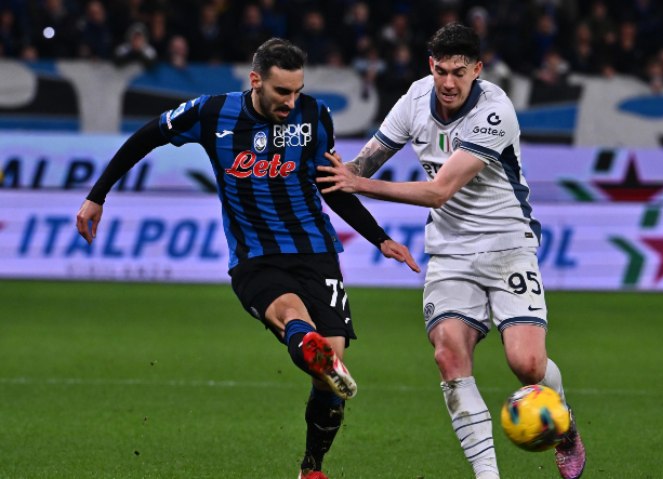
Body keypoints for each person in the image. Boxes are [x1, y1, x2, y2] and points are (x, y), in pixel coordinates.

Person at [75, 38, 419, 479]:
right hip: (255, 256)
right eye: (282, 92)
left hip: (316, 252)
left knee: (331, 367)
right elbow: (146, 137)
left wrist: (379, 238)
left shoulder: (315, 116)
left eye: (297, 91)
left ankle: (312, 465)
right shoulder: (211, 112)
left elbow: (331, 184)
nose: (291, 102)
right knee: (294, 319)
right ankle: (303, 342)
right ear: (255, 81)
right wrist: (96, 196)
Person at [317, 23, 586, 479]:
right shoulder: (414, 99)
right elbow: (364, 161)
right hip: (450, 252)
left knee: (528, 365)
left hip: (507, 245)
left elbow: (439, 190)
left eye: (459, 72)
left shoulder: (495, 111)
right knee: (448, 355)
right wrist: (332, 171)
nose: (448, 82)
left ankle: (565, 426)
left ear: (477, 70)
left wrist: (358, 183)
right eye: (441, 70)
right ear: (430, 66)